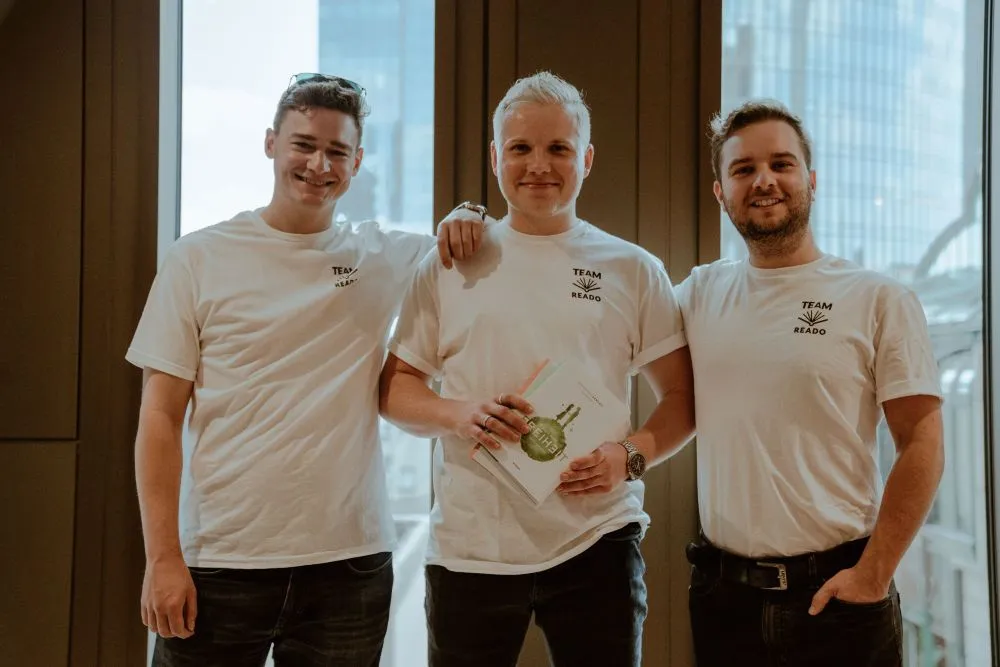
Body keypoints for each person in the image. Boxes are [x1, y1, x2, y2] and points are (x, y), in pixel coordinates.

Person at [127, 72, 490, 666]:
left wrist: (470, 211)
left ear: (358, 162)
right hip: (220, 561)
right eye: (303, 144)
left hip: (348, 567)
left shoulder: (380, 256)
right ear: (271, 143)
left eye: (337, 152)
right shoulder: (198, 258)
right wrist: (162, 557)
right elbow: (160, 419)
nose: (319, 164)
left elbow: (477, 247)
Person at [378, 71, 696, 667]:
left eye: (559, 149)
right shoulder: (449, 263)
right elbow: (395, 388)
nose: (539, 166)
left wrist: (630, 456)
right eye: (520, 149)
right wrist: (459, 413)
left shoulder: (633, 269)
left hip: (596, 541)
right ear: (495, 156)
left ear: (588, 158)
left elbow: (681, 395)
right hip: (472, 549)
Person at [679, 99, 945, 666]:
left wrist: (874, 574)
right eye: (743, 169)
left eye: (782, 163)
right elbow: (606, 311)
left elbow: (922, 443)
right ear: (720, 192)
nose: (764, 180)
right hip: (723, 600)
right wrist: (474, 218)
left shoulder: (878, 298)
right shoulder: (698, 294)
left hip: (839, 596)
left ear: (812, 179)